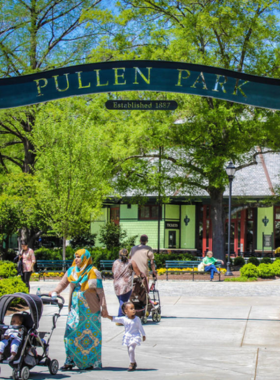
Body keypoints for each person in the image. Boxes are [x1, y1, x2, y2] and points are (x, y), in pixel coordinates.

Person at [48, 249, 108, 371]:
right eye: (75, 257)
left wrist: (104, 308)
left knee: (90, 336)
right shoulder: (71, 271)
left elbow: (100, 292)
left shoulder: (93, 271)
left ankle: (90, 362)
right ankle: (70, 360)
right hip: (75, 309)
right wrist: (55, 291)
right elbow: (63, 284)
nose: (76, 259)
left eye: (79, 257)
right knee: (70, 334)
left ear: (86, 258)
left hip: (90, 311)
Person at [107, 301, 146, 372]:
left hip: (135, 336)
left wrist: (143, 334)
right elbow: (115, 319)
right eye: (131, 308)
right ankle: (133, 362)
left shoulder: (137, 319)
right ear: (126, 311)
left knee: (131, 349)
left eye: (134, 308)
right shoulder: (124, 319)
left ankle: (131, 363)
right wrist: (107, 316)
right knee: (130, 350)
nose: (133, 310)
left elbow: (140, 327)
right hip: (128, 337)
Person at [112, 248, 143, 323]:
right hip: (126, 285)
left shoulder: (115, 262)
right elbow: (138, 272)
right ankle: (120, 318)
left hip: (116, 284)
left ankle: (121, 317)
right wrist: (142, 277)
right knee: (124, 302)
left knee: (121, 301)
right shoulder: (131, 262)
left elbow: (113, 271)